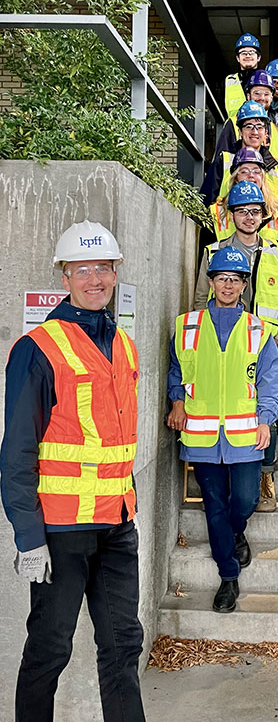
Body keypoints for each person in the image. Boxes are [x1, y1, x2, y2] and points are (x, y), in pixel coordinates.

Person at [0, 220, 146, 722]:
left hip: (115, 527)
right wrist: (28, 537)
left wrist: (128, 510)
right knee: (48, 650)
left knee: (124, 647)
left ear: (114, 273)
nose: (95, 279)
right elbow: (16, 452)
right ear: (64, 276)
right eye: (82, 269)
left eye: (103, 268)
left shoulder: (124, 345)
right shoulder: (37, 349)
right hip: (60, 534)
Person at [167, 246, 278, 612]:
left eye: (235, 279)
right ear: (212, 282)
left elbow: (270, 378)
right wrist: (177, 401)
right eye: (222, 278)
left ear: (244, 285)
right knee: (214, 506)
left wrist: (266, 418)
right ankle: (228, 576)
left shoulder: (257, 329)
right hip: (201, 434)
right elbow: (176, 370)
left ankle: (236, 532)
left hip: (245, 432)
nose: (228, 285)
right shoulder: (186, 326)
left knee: (245, 500)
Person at [194, 183, 278, 511]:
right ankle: (226, 470)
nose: (249, 217)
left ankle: (265, 475)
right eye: (242, 211)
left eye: (255, 211)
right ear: (232, 215)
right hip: (223, 348)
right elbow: (200, 299)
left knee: (267, 411)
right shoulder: (213, 252)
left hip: (263, 346)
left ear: (263, 215)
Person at [200, 101, 278, 221]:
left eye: (259, 127)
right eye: (249, 126)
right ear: (240, 132)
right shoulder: (224, 160)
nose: (254, 132)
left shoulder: (274, 167)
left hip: (264, 235)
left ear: (266, 133)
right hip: (227, 232)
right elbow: (206, 200)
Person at [211, 147, 278, 243]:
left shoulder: (277, 212)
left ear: (262, 177)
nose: (251, 175)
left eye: (256, 171)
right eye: (244, 171)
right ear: (236, 178)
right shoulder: (216, 212)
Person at [214, 71, 278, 165]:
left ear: (272, 97)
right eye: (257, 93)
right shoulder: (234, 123)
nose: (262, 98)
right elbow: (220, 162)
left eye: (266, 94)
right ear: (248, 96)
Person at [224, 32, 261, 119]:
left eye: (251, 52)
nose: (248, 55)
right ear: (238, 58)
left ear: (258, 57)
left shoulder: (266, 80)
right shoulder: (229, 81)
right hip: (234, 130)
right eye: (243, 52)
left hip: (259, 129)